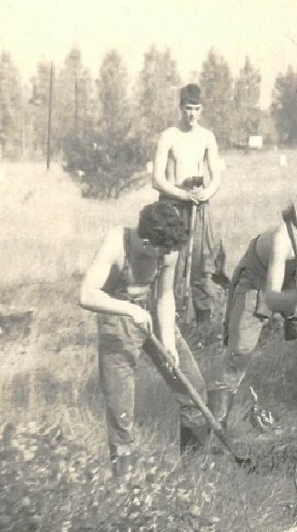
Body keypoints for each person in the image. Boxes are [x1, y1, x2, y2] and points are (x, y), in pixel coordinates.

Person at [79, 201, 210, 474]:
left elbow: (164, 296)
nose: (168, 256)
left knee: (193, 386)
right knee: (121, 409)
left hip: (151, 312)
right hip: (116, 314)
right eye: (162, 251)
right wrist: (129, 309)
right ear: (148, 243)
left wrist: (169, 343)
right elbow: (87, 294)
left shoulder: (168, 250)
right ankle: (124, 488)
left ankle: (196, 474)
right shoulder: (117, 243)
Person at [205, 214, 297, 427]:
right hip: (256, 278)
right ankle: (214, 429)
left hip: (293, 279)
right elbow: (271, 299)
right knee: (239, 353)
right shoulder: (285, 239)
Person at [152, 83, 226, 331]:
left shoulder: (207, 137)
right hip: (172, 207)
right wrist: (182, 195)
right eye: (187, 108)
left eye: (196, 109)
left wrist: (207, 192)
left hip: (199, 207)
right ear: (180, 107)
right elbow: (157, 180)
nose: (191, 114)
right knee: (171, 266)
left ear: (201, 109)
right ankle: (170, 327)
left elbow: (216, 175)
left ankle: (203, 330)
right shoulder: (168, 136)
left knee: (202, 267)